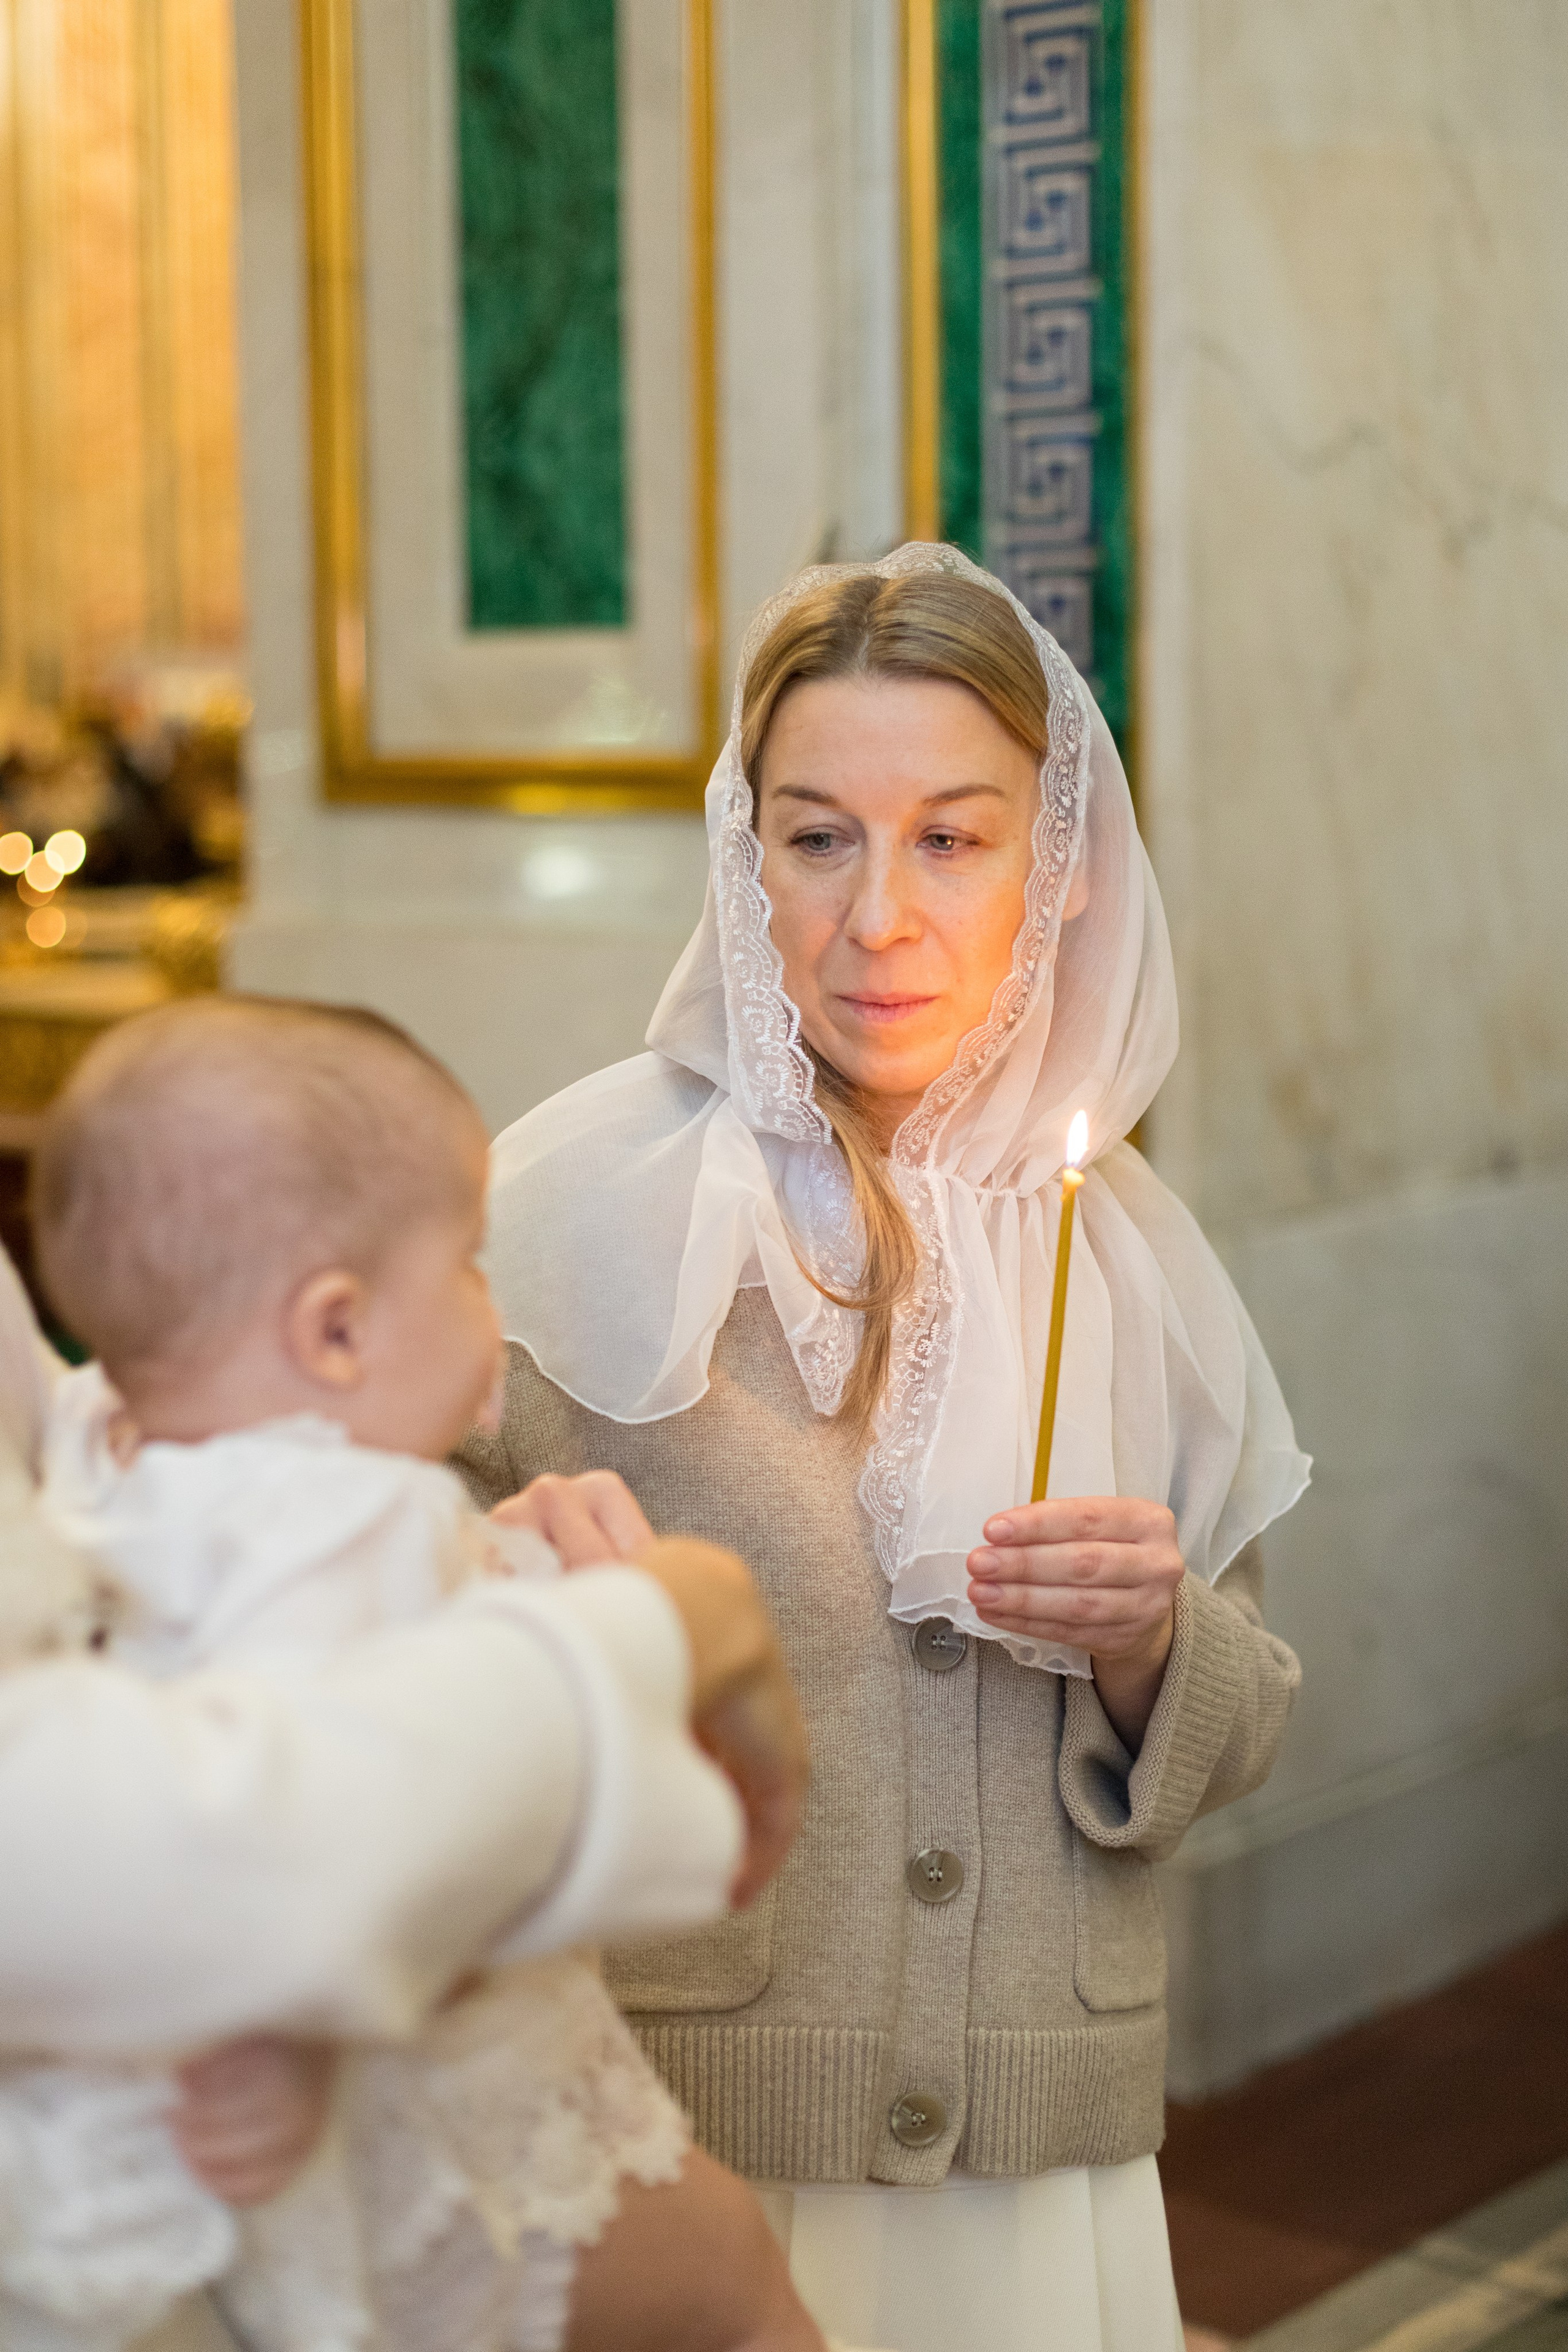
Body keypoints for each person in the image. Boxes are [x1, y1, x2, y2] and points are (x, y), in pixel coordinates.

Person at [462, 543, 1311, 2352]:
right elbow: (364, 1634)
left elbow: (1243, 1721)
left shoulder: (1131, 1250)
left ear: (1056, 871)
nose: (876, 919)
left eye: (953, 835)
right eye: (817, 835)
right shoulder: (565, 1215)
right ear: (739, 851)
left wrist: (1156, 1647)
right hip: (690, 2136)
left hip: (1036, 2162)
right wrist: (506, 1592)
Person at [3, 999, 823, 2352]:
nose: (487, 1307)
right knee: (743, 2303)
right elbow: (296, 1813)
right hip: (407, 2091)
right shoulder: (344, 1521)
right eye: (468, 1264)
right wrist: (272, 2049)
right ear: (333, 1335)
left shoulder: (108, 1461)